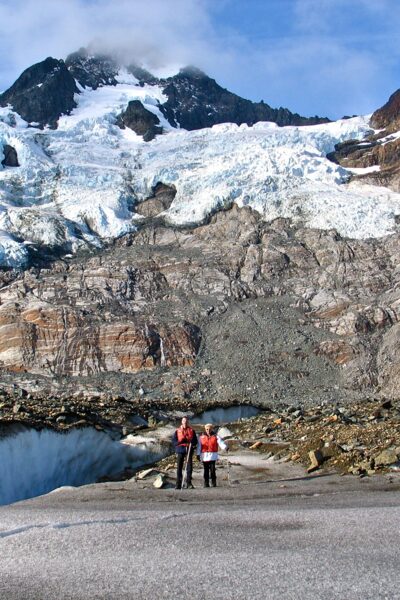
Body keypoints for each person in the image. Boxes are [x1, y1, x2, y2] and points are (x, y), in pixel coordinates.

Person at [197, 423, 228, 488]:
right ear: (205, 429)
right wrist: (198, 454)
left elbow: (220, 443)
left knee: (212, 470)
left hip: (212, 455)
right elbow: (199, 446)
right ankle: (206, 483)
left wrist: (225, 447)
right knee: (206, 470)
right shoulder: (201, 437)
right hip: (204, 456)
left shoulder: (215, 436)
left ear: (211, 429)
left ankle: (214, 483)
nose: (208, 430)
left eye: (209, 429)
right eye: (207, 429)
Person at [172, 416, 197, 489]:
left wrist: (192, 442)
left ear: (187, 422)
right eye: (183, 421)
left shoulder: (192, 430)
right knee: (179, 467)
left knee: (189, 467)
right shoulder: (177, 431)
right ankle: (178, 483)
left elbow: (195, 441)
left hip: (189, 449)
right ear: (181, 422)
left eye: (186, 421)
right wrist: (180, 442)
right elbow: (174, 441)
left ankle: (189, 483)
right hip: (180, 449)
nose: (185, 423)